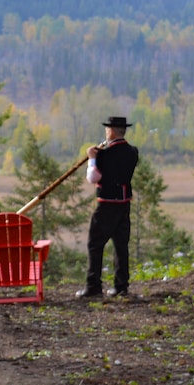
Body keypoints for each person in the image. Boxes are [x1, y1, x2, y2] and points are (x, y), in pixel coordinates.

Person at [76, 115, 139, 299]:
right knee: (121, 245)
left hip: (106, 205)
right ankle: (121, 286)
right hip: (124, 203)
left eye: (107, 129)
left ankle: (93, 285)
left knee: (95, 244)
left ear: (111, 131)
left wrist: (92, 159)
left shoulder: (104, 154)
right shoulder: (133, 152)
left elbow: (93, 178)